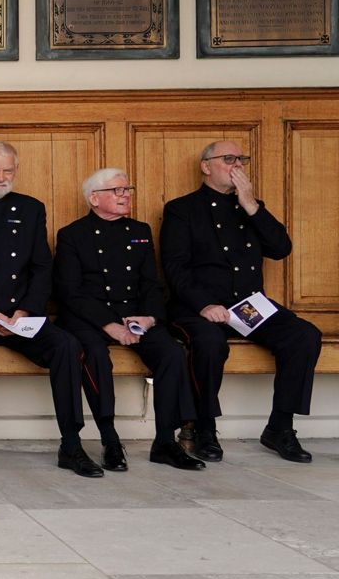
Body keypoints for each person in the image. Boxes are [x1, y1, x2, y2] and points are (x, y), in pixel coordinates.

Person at [161, 141, 321, 463]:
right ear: (206, 167)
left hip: (248, 306)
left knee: (305, 336)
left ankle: (280, 427)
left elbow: (280, 248)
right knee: (208, 344)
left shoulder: (250, 206)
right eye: (228, 159)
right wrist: (205, 304)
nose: (237, 166)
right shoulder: (182, 209)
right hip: (199, 307)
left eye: (241, 160)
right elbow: (175, 267)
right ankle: (203, 428)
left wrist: (251, 206)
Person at [0, 142, 102, 477]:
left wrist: (25, 311)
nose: (1, 177)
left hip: (20, 316)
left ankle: (71, 443)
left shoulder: (31, 208)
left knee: (67, 346)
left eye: (8, 170)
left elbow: (41, 267)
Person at [54, 168, 203, 472]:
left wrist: (148, 317)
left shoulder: (140, 230)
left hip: (135, 315)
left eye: (127, 190)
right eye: (117, 191)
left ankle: (165, 441)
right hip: (90, 317)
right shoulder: (72, 235)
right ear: (94, 198)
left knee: (172, 352)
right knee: (94, 354)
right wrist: (110, 325)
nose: (125, 195)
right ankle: (110, 439)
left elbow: (150, 282)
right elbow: (70, 291)